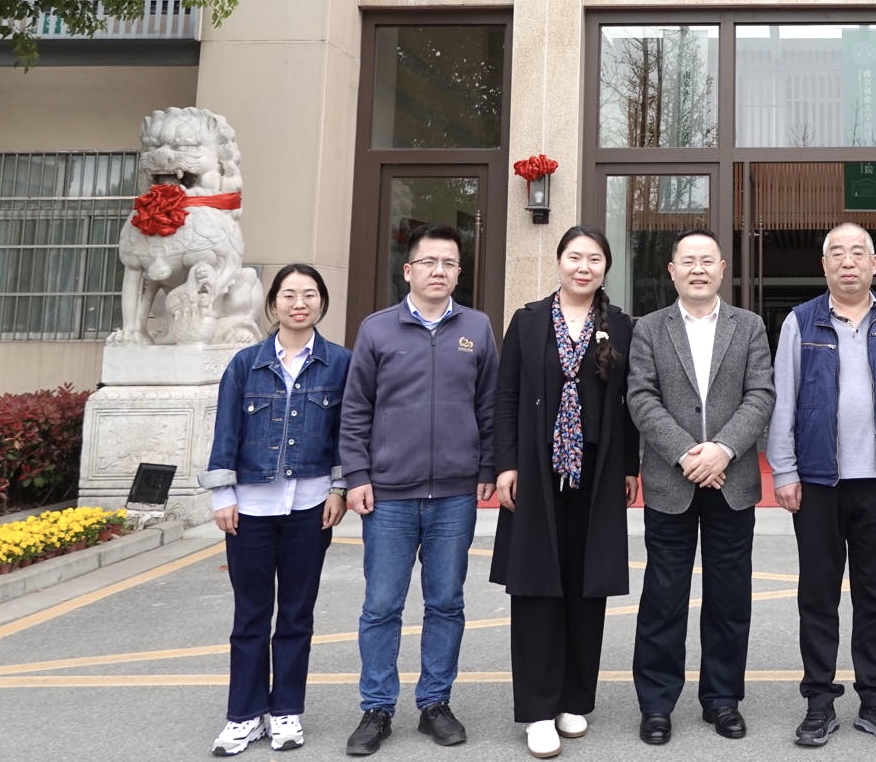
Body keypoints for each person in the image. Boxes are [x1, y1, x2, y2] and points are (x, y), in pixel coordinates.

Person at [767, 222, 876, 748]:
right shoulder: (800, 321)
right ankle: (818, 700)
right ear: (824, 266)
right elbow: (784, 398)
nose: (847, 261)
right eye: (836, 253)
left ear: (874, 263)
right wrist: (785, 470)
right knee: (817, 595)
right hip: (818, 480)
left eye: (858, 252)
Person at [339, 224, 499, 756]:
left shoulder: (476, 327)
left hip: (454, 494)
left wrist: (486, 467)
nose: (438, 271)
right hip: (388, 494)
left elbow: (489, 406)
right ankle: (376, 708)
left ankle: (435, 703)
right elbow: (355, 409)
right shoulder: (377, 330)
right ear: (408, 270)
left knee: (446, 601)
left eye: (449, 263)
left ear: (459, 272)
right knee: (381, 605)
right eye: (428, 262)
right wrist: (357, 475)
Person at [489, 225, 640, 760]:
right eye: (575, 257)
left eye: (594, 259)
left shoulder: (621, 325)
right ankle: (537, 708)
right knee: (536, 584)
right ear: (559, 262)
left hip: (598, 470)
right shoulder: (528, 321)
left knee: (586, 583)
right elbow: (506, 395)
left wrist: (629, 466)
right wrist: (506, 463)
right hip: (537, 468)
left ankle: (575, 698)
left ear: (606, 268)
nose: (584, 267)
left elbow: (629, 403)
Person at [627, 228, 775, 746]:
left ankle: (722, 699)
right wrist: (689, 454)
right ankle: (656, 704)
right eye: (687, 260)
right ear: (672, 270)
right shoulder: (649, 328)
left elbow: (761, 394)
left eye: (707, 260)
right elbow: (641, 397)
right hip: (672, 480)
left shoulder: (749, 325)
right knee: (663, 597)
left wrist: (723, 450)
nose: (698, 269)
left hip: (731, 481)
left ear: (722, 268)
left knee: (729, 598)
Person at [199, 263, 350, 756]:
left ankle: (286, 710)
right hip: (251, 508)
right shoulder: (245, 364)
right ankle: (244, 715)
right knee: (250, 614)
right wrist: (223, 495)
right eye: (289, 294)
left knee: (297, 614)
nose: (299, 303)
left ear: (322, 302)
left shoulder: (340, 363)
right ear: (273, 303)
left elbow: (345, 434)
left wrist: (339, 488)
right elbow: (226, 431)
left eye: (309, 294)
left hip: (311, 506)